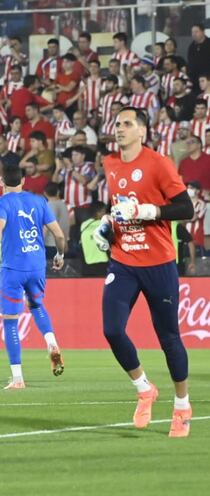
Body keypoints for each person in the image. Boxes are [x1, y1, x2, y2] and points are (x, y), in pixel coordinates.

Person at [93, 107, 195, 437]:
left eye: (127, 124)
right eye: (117, 123)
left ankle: (182, 406)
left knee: (169, 338)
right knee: (112, 330)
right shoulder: (109, 163)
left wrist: (148, 211)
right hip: (124, 260)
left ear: (142, 131)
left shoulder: (158, 163)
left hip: (158, 263)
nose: (119, 128)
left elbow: (186, 208)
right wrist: (106, 225)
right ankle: (144, 388)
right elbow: (118, 205)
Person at [0, 163, 67, 390]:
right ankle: (51, 342)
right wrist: (59, 255)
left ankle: (18, 378)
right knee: (36, 305)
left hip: (13, 269)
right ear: (23, 181)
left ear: (2, 182)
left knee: (10, 320)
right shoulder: (39, 201)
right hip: (37, 266)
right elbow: (59, 234)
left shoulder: (0, 203)